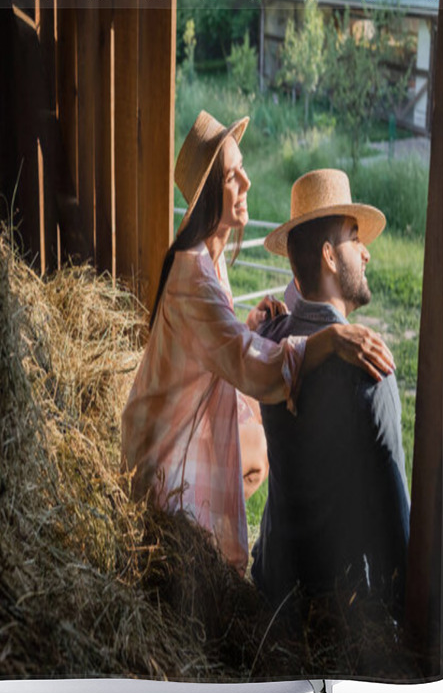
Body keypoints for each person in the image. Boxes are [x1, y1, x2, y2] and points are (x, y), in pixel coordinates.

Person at [121, 113, 396, 575]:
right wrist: (325, 340)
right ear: (211, 194)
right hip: (162, 449)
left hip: (178, 421)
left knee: (256, 458)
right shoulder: (192, 273)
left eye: (242, 168)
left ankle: (203, 533)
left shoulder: (209, 258)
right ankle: (184, 531)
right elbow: (248, 366)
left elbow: (217, 340)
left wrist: (244, 323)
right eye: (232, 176)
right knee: (246, 460)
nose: (247, 181)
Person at [251, 168, 411, 621]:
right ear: (329, 255)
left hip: (273, 592)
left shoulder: (271, 343)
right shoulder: (368, 369)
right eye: (354, 237)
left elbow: (299, 294)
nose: (366, 252)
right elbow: (396, 523)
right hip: (338, 616)